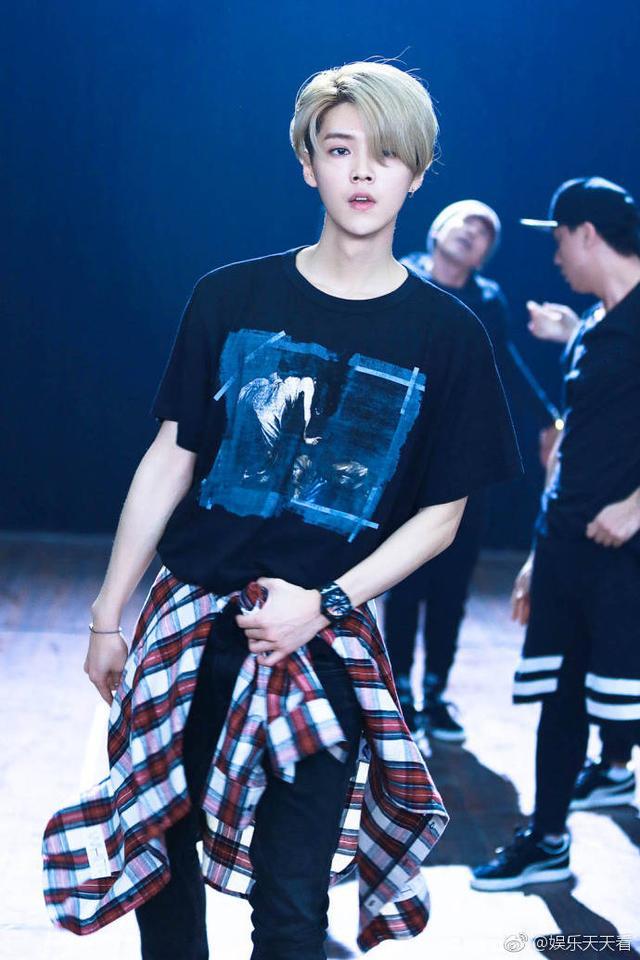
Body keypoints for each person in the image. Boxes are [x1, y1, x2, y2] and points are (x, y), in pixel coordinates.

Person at [42, 61, 520, 958]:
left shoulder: (448, 335)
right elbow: (172, 456)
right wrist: (108, 615)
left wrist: (324, 605)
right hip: (193, 631)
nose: (363, 171)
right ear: (309, 164)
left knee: (294, 907)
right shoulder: (231, 297)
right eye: (340, 150)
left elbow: (441, 517)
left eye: (387, 154)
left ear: (417, 174)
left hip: (325, 645)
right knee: (161, 873)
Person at [472, 177, 640, 892]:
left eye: (560, 241)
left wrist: (636, 506)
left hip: (624, 556)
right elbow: (573, 445)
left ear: (588, 234)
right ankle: (546, 838)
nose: (556, 258)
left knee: (616, 697)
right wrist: (537, 554)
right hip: (568, 547)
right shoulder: (595, 328)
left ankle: (609, 774)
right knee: (560, 697)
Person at [385, 200, 552, 740]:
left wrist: (548, 416)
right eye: (466, 222)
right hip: (406, 457)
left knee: (453, 580)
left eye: (485, 232)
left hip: (465, 458)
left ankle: (435, 692)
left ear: (484, 255)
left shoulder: (488, 300)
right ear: (438, 230)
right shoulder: (398, 278)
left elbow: (505, 366)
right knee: (404, 576)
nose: (472, 233)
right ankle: (397, 691)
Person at [527, 298, 637, 810]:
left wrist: (635, 506)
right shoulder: (602, 319)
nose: (557, 261)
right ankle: (611, 768)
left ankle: (614, 764)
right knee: (581, 677)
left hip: (619, 535)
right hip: (578, 537)